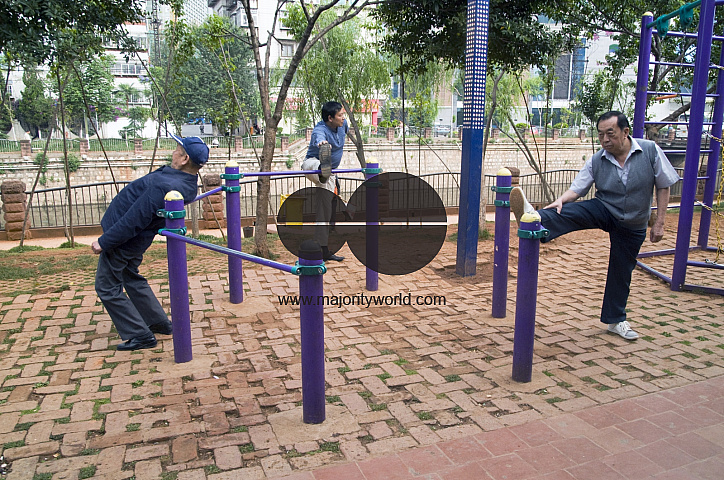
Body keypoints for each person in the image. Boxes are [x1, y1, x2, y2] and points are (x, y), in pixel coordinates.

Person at [510, 111, 679, 340]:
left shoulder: (649, 151)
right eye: (600, 135)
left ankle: (615, 320)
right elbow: (577, 189)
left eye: (610, 134)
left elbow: (664, 185)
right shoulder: (597, 159)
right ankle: (536, 219)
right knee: (575, 209)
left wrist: (659, 222)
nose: (605, 140)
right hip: (606, 210)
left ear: (625, 132)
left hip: (634, 222)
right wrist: (561, 199)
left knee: (622, 271)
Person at [91, 135, 209, 351]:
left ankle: (140, 334)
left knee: (106, 287)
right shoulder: (184, 181)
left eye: (176, 150)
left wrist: (104, 242)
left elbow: (134, 219)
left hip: (124, 241)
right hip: (135, 241)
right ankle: (158, 322)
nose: (172, 152)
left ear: (184, 159)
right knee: (130, 276)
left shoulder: (165, 185)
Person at [301, 101, 350, 262]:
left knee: (325, 212)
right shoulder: (320, 129)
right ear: (330, 118)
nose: (343, 118)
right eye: (340, 115)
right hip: (312, 165)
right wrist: (323, 144)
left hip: (330, 176)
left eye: (343, 114)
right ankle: (323, 169)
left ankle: (323, 250)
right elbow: (319, 137)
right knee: (317, 165)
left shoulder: (343, 126)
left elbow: (347, 130)